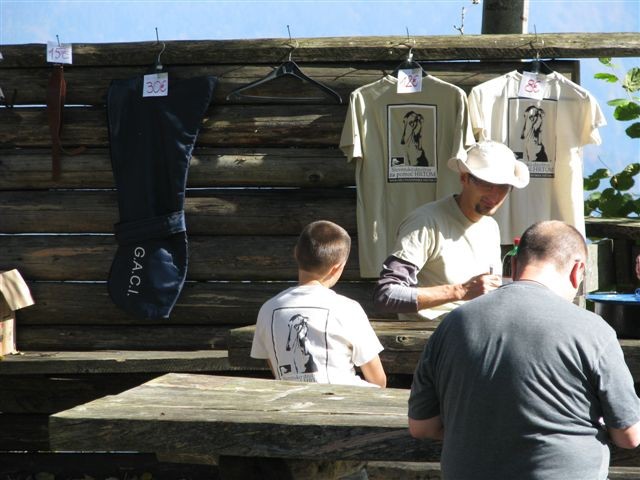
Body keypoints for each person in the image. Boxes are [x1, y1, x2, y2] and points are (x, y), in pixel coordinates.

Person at [408, 220, 640, 480]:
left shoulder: (452, 323)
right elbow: (629, 435)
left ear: (515, 266)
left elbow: (422, 426)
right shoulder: (593, 330)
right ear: (578, 270)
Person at [374, 140, 530, 320]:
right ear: (464, 178)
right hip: (429, 340)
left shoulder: (490, 226)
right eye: (486, 183)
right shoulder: (425, 222)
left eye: (503, 187)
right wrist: (460, 291)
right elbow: (386, 294)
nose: (494, 195)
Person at [251, 220, 386, 388]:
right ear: (336, 268)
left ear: (295, 253)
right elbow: (378, 380)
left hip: (292, 403)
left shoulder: (268, 309)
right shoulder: (348, 309)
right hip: (344, 404)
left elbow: (278, 370)